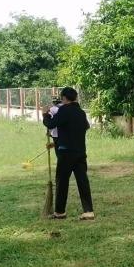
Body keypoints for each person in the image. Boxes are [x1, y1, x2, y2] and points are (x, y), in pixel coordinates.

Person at [42, 87, 94, 220]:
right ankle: (88, 211)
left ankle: (60, 212)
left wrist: (45, 114)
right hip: (80, 152)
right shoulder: (81, 112)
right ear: (75, 97)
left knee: (62, 181)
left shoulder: (64, 110)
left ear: (64, 98)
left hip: (66, 152)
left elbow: (51, 124)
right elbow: (82, 128)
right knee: (82, 181)